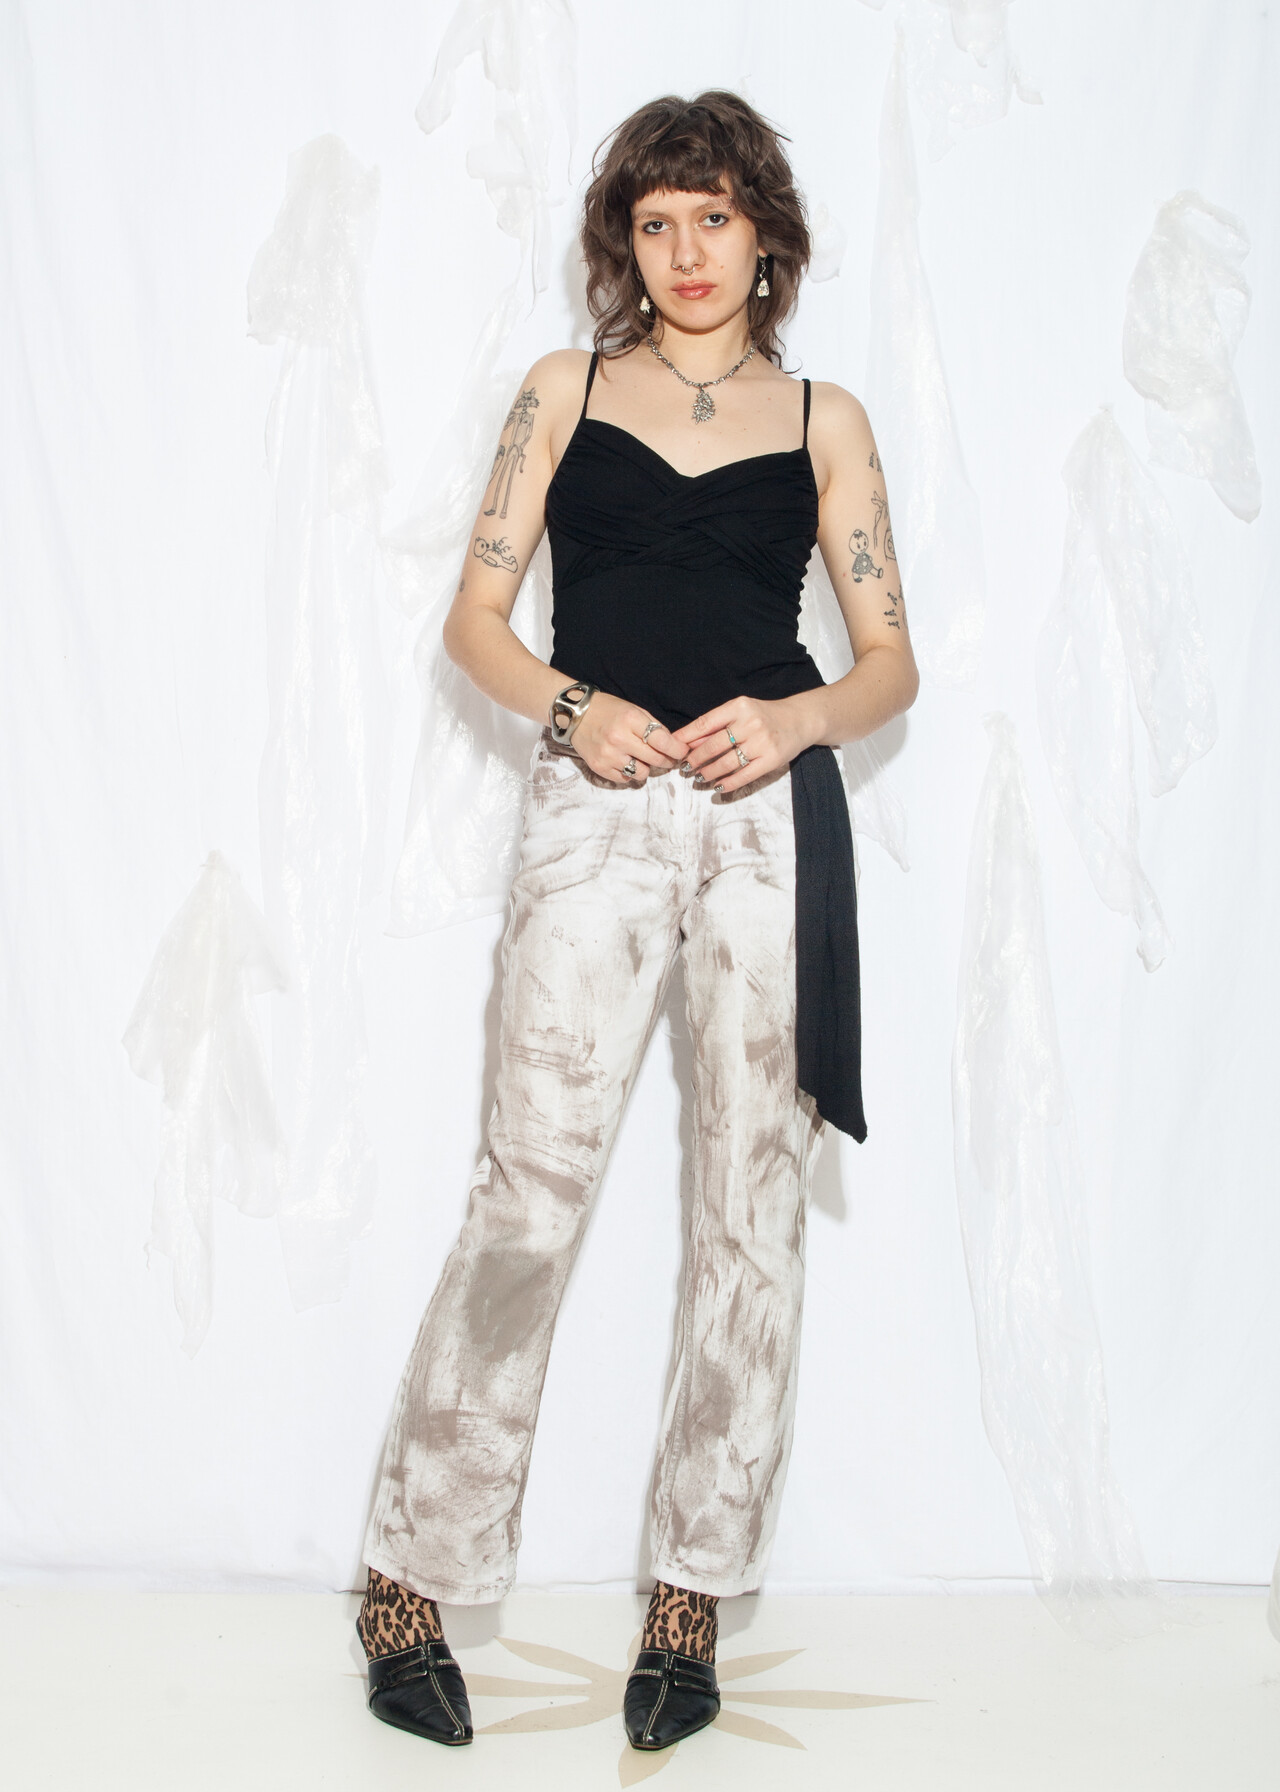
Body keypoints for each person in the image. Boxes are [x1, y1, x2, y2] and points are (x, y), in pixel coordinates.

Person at [355, 89, 919, 1754]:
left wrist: (801, 719)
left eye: (715, 219)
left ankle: (693, 1596)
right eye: (657, 222)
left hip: (763, 821)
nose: (686, 251)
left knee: (751, 1212)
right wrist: (570, 705)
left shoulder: (824, 418)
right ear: (627, 241)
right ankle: (410, 1576)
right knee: (529, 1195)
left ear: (766, 240)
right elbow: (475, 618)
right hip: (592, 811)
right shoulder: (566, 390)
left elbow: (892, 660)